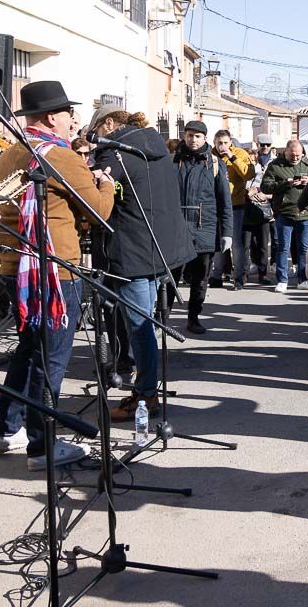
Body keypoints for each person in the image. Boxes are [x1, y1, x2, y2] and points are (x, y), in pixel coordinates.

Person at [0, 82, 115, 468]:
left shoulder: (11, 152)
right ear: (50, 117)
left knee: (28, 351)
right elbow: (97, 212)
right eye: (66, 114)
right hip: (53, 271)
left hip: (15, 266)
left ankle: (6, 429)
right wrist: (106, 185)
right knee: (52, 359)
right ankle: (42, 446)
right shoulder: (60, 156)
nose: (72, 120)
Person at [89, 107, 193, 422]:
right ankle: (147, 388)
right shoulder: (155, 145)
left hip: (134, 250)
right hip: (159, 248)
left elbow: (98, 201)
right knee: (144, 321)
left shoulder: (116, 153)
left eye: (96, 131)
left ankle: (146, 395)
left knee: (139, 325)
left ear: (108, 124)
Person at [172, 121, 232, 334]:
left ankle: (194, 317)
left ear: (205, 138)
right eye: (189, 135)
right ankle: (162, 318)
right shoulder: (173, 160)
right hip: (176, 228)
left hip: (204, 228)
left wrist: (227, 232)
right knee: (170, 277)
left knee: (200, 279)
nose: (193, 140)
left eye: (197, 136)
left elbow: (225, 200)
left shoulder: (215, 163)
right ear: (184, 136)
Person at [261, 139, 308, 293]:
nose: (295, 158)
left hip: (305, 213)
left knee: (304, 248)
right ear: (285, 152)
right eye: (292, 155)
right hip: (284, 212)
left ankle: (303, 278)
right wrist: (286, 183)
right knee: (282, 247)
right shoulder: (275, 166)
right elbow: (265, 187)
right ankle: (282, 279)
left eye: (298, 155)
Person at [212, 129, 257, 290]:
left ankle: (238, 277)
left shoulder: (240, 154)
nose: (222, 146)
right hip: (216, 204)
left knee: (236, 243)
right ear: (214, 143)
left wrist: (232, 157)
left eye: (225, 142)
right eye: (219, 143)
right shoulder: (211, 155)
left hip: (235, 204)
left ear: (230, 142)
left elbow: (248, 174)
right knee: (218, 242)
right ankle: (216, 275)